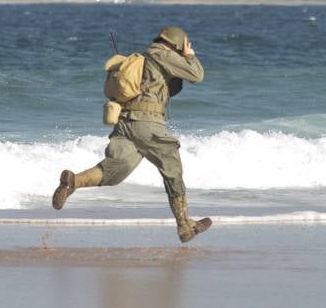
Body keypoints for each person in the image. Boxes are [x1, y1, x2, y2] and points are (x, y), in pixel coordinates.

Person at [52, 25, 212, 243]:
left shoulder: (144, 58)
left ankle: (73, 182)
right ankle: (184, 225)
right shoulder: (163, 54)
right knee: (172, 170)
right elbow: (197, 75)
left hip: (124, 123)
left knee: (114, 170)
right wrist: (190, 56)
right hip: (148, 123)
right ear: (176, 44)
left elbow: (168, 89)